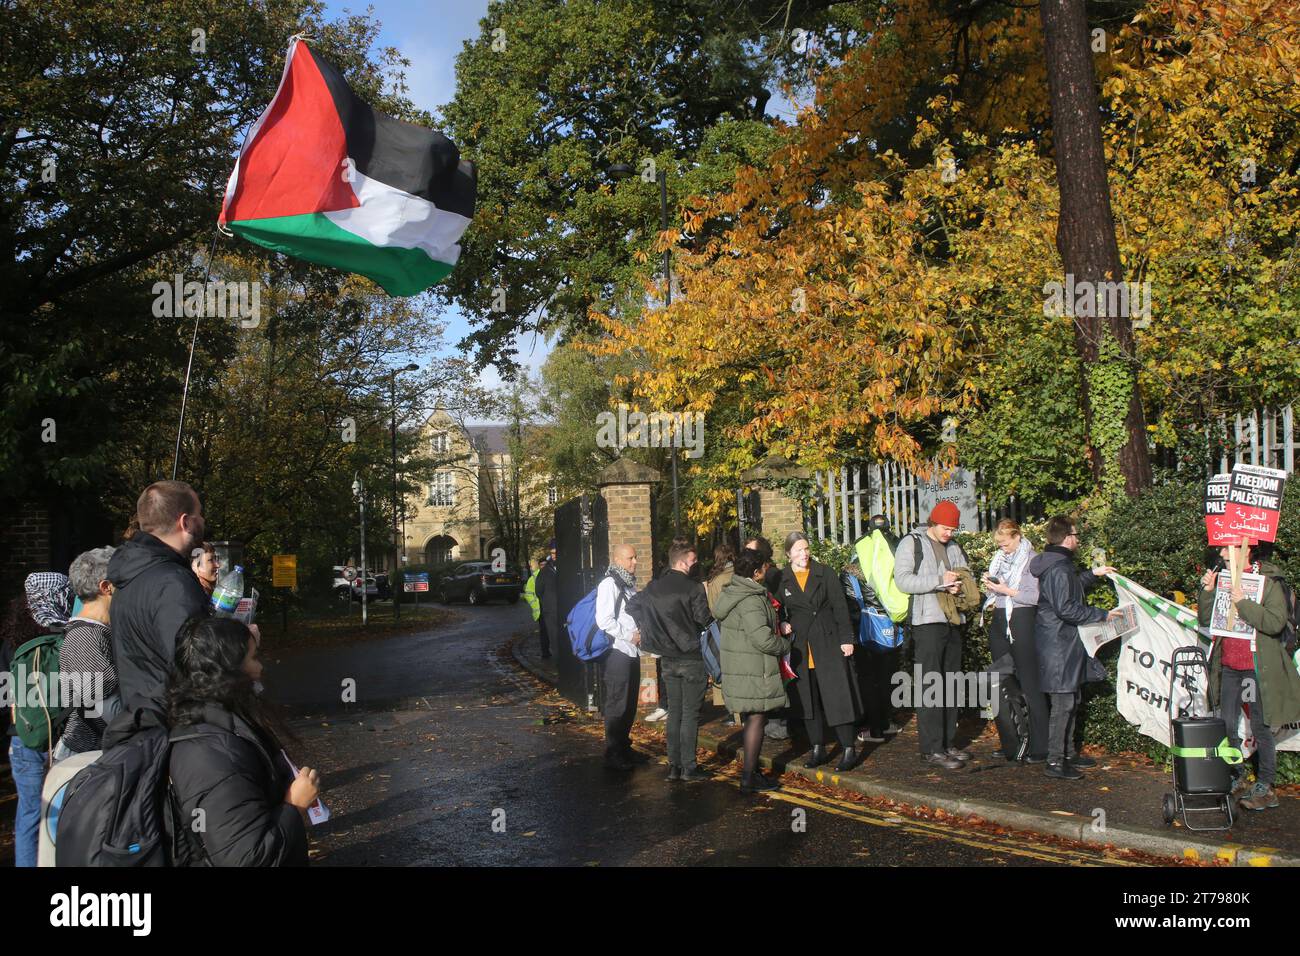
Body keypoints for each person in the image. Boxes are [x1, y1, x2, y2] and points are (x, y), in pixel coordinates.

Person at [167, 616, 315, 865]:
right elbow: (246, 857)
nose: (260, 668)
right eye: (253, 658)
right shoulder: (214, 756)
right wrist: (294, 807)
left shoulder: (215, 723)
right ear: (229, 670)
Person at [1198, 542, 1300, 811]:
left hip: (1255, 669)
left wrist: (1242, 602)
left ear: (1246, 551)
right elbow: (1208, 619)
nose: (1220, 553)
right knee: (1227, 725)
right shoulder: (1224, 578)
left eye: (1226, 547)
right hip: (1230, 666)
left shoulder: (1268, 582)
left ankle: (1266, 786)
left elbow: (1275, 622)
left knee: (1260, 726)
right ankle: (1237, 776)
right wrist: (1208, 592)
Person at [1029, 515, 1122, 780]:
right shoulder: (1059, 568)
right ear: (1068, 538)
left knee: (1070, 699)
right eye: (1077, 535)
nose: (1078, 540)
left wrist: (1093, 574)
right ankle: (1056, 761)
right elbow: (1066, 607)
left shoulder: (1059, 565)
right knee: (1063, 703)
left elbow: (1068, 591)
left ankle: (1067, 754)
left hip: (1060, 642)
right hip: (1059, 644)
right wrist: (1101, 614)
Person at [107, 480, 210, 716]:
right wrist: (241, 643)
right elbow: (195, 664)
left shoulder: (131, 576)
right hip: (174, 726)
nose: (203, 521)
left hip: (142, 720)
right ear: (185, 522)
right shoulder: (173, 583)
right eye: (199, 514)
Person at [893, 501, 977, 769]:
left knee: (951, 684)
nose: (949, 534)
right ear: (933, 523)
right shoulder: (912, 543)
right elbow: (903, 580)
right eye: (945, 528)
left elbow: (967, 577)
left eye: (952, 529)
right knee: (931, 686)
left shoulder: (954, 546)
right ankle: (931, 749)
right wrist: (939, 581)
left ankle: (948, 744)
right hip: (927, 622)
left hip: (953, 621)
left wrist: (959, 587)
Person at [631, 538, 713, 782]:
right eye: (693, 559)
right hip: (691, 657)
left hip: (667, 658)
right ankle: (689, 767)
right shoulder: (693, 588)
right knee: (689, 714)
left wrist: (652, 629)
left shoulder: (653, 588)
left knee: (674, 712)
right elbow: (704, 619)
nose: (695, 562)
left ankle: (674, 767)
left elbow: (633, 606)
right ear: (682, 561)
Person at [781, 532, 862, 772]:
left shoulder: (824, 572)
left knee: (837, 696)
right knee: (808, 700)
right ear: (788, 554)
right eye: (798, 550)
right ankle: (817, 747)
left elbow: (840, 606)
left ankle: (848, 747)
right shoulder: (782, 578)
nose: (804, 554)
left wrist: (847, 639)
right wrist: (781, 623)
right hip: (800, 648)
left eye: (806, 548)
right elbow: (773, 606)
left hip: (828, 642)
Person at [8, 573, 73, 866]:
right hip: (64, 739)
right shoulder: (70, 636)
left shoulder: (11, 641)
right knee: (63, 814)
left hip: (22, 736)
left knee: (30, 815)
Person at [717, 547, 792, 793]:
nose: (768, 570)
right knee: (757, 719)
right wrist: (785, 645)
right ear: (757, 572)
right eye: (765, 567)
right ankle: (749, 777)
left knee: (752, 719)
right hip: (754, 669)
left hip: (743, 668)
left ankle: (752, 772)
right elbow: (761, 638)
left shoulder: (735, 591)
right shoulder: (750, 599)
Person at [981, 519, 1048, 763]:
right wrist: (991, 586)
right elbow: (995, 593)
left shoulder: (1032, 560)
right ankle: (1012, 741)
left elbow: (1035, 596)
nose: (1002, 548)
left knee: (1030, 683)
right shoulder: (1000, 559)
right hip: (1000, 618)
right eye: (998, 544)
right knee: (1001, 683)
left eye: (1005, 543)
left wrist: (1006, 591)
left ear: (1017, 536)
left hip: (1021, 618)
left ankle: (1041, 744)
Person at [54, 547, 121, 760]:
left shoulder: (98, 632)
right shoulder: (86, 638)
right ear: (106, 587)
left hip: (97, 755)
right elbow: (112, 714)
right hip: (87, 757)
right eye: (124, 582)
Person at [596, 543, 642, 770]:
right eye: (630, 558)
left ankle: (624, 746)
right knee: (617, 704)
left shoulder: (628, 585)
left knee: (630, 702)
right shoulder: (609, 584)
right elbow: (604, 621)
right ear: (617, 560)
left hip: (632, 651)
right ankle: (613, 751)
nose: (635, 562)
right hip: (617, 652)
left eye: (635, 558)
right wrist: (628, 636)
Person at [533, 541, 558, 660]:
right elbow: (538, 590)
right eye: (552, 553)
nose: (554, 555)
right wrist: (548, 602)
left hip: (566, 609)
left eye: (556, 553)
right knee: (553, 638)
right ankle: (559, 663)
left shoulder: (567, 567)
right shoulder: (545, 571)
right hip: (551, 610)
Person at [705, 542, 735, 616]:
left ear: (717, 558)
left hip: (724, 623)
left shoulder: (716, 580)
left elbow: (713, 609)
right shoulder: (743, 574)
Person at [523, 553, 544, 654]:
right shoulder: (534, 578)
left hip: (550, 608)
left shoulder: (553, 574)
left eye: (545, 564)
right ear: (539, 565)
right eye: (542, 564)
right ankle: (545, 652)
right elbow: (528, 593)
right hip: (540, 610)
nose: (543, 566)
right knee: (544, 632)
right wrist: (536, 605)